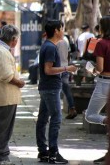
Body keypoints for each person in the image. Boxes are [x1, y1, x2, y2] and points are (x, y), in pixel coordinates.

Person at [36, 20, 77, 164]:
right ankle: (53, 152)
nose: (63, 31)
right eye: (61, 28)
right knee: (56, 119)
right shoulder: (50, 48)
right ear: (56, 30)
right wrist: (67, 69)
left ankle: (43, 151)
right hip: (51, 88)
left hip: (47, 87)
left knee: (43, 119)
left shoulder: (48, 45)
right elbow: (48, 70)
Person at [0, 25, 25, 165]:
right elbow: (5, 75)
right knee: (4, 128)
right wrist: (19, 82)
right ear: (13, 39)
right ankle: (0, 157)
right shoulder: (2, 52)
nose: (17, 41)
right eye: (17, 39)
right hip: (4, 96)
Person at [84, 16, 110, 164]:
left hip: (104, 84)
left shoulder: (101, 44)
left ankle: (107, 121)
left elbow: (99, 68)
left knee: (91, 115)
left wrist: (92, 70)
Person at [57, 36, 77, 119]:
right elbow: (68, 54)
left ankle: (54, 112)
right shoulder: (65, 40)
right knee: (66, 89)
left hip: (58, 69)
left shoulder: (55, 42)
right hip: (65, 67)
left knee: (55, 91)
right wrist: (67, 64)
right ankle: (72, 109)